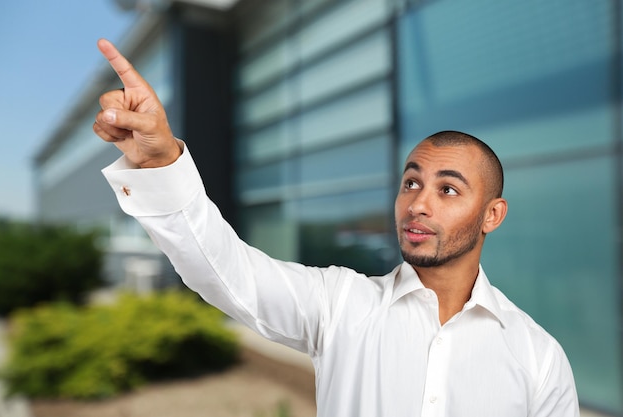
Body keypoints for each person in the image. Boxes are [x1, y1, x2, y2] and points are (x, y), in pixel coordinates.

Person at [93, 38, 580, 417]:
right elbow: (225, 270)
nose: (418, 204)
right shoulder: (341, 303)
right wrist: (161, 161)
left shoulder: (537, 357)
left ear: (492, 215)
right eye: (411, 183)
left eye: (448, 189)